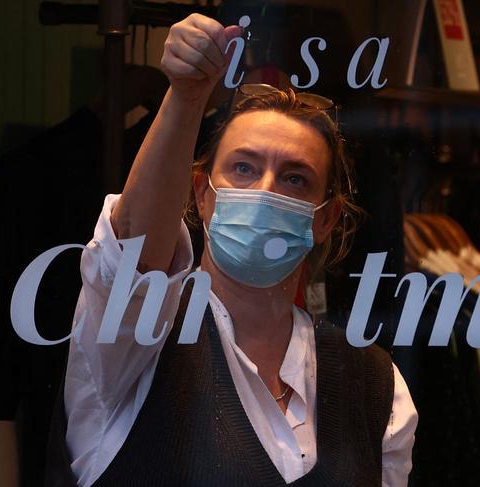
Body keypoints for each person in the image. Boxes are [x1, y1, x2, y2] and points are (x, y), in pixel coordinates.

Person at [47, 13, 418, 487]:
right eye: (243, 168)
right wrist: (186, 97)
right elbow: (130, 259)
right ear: (202, 194)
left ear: (324, 218)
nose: (265, 190)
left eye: (294, 178)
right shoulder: (133, 347)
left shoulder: (376, 387)